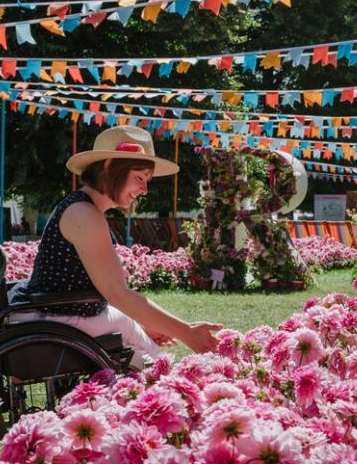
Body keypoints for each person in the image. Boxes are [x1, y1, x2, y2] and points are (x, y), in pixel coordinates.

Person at [11, 126, 221, 366]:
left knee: (151, 359)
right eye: (139, 178)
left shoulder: (84, 209)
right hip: (55, 318)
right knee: (156, 368)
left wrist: (148, 325)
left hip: (66, 313)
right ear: (110, 166)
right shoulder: (83, 213)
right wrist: (187, 332)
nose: (144, 190)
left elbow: (113, 293)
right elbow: (117, 293)